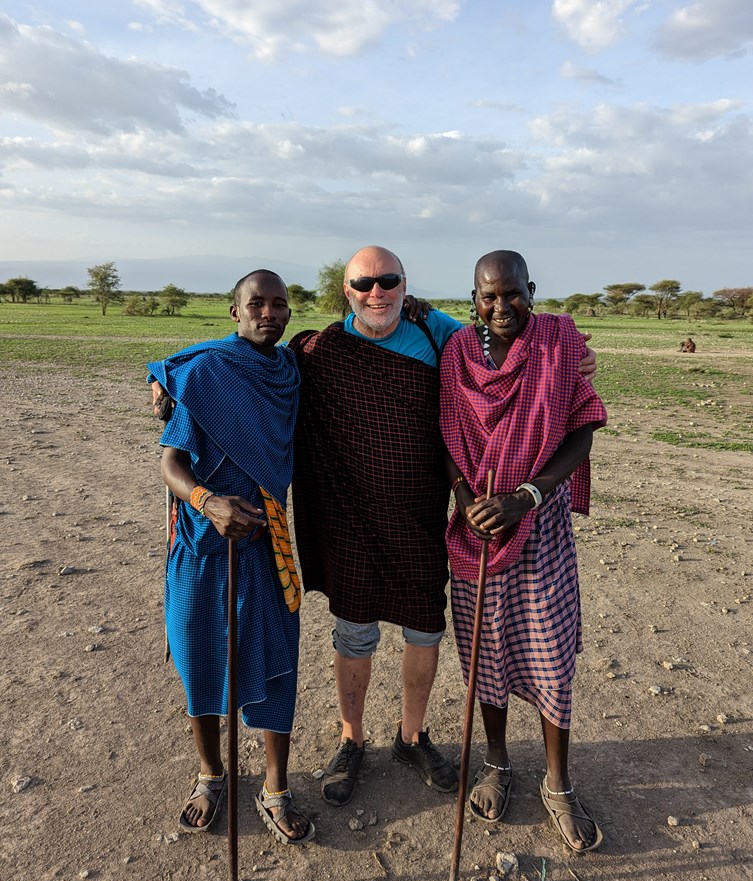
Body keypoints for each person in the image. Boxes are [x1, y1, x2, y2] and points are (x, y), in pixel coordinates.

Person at [289, 246, 597, 810]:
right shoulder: (321, 347)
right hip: (353, 517)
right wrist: (171, 379)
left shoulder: (441, 337)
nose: (376, 292)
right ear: (346, 290)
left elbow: (521, 361)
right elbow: (258, 366)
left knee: (424, 631)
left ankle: (412, 738)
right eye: (364, 283)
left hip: (422, 516)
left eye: (389, 281)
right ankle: (350, 739)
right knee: (353, 633)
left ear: (407, 287)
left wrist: (576, 358)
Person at [439, 250, 607, 854]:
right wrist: (465, 501)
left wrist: (526, 497)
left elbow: (583, 427)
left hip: (539, 522)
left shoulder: (560, 342)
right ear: (474, 299)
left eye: (512, 293)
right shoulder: (458, 352)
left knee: (551, 649)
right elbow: (448, 438)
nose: (501, 306)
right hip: (477, 527)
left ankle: (558, 782)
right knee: (485, 646)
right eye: (489, 296)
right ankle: (497, 762)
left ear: (530, 291)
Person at [146, 270, 314, 845]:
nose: (269, 313)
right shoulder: (203, 375)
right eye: (256, 304)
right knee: (200, 658)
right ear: (234, 311)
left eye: (279, 304)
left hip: (266, 542)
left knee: (274, 662)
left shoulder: (291, 372)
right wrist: (207, 501)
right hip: (201, 542)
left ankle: (274, 786)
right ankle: (210, 775)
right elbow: (171, 464)